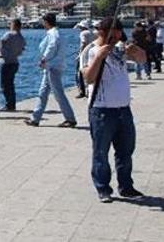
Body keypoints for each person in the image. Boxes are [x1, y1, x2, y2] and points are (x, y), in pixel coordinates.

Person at [80, 17, 147, 203]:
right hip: (101, 110)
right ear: (102, 32)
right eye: (114, 33)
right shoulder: (90, 50)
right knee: (100, 151)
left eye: (119, 33)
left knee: (126, 150)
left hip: (123, 109)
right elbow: (88, 77)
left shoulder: (120, 48)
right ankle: (103, 188)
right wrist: (100, 57)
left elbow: (142, 59)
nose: (118, 36)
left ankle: (126, 186)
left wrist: (136, 50)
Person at [24, 13, 77, 127]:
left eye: (43, 21)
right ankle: (35, 118)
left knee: (58, 93)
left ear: (46, 22)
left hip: (52, 67)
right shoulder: (59, 33)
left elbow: (52, 47)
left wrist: (44, 58)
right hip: (52, 66)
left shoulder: (53, 33)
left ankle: (70, 118)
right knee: (42, 92)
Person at [0, 18, 26, 111]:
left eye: (11, 24)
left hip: (7, 62)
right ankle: (12, 104)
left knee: (4, 85)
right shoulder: (22, 38)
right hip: (15, 62)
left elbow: (1, 42)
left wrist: (1, 53)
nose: (10, 26)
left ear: (14, 25)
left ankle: (8, 104)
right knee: (11, 84)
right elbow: (22, 50)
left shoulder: (9, 34)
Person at [74, 19, 95, 98]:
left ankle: (82, 91)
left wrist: (80, 54)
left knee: (79, 73)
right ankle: (89, 91)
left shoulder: (83, 33)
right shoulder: (92, 32)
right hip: (92, 54)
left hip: (84, 55)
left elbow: (83, 43)